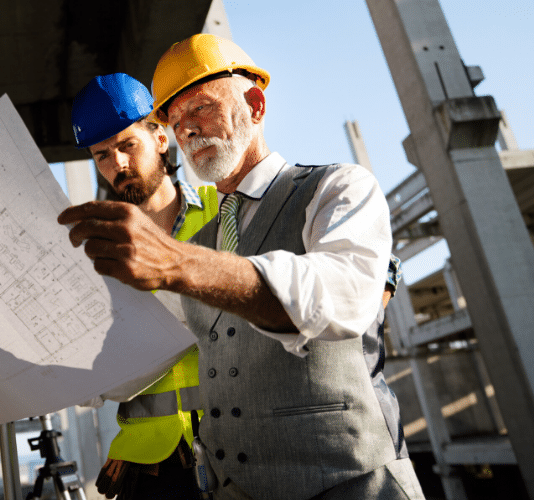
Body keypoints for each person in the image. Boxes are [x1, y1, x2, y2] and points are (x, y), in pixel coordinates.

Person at [57, 33, 424, 499]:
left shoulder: (334, 188)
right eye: (176, 116)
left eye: (201, 108)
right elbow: (121, 356)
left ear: (255, 104)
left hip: (353, 480)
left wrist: (178, 261)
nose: (187, 128)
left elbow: (350, 286)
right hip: (221, 479)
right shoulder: (186, 245)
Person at [0, 72, 220, 499]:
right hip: (149, 466)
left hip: (236, 442)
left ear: (160, 138)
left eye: (128, 145)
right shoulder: (93, 250)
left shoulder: (224, 211)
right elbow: (75, 362)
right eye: (102, 155)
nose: (117, 165)